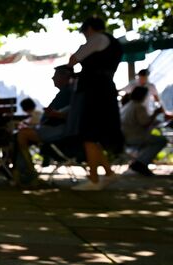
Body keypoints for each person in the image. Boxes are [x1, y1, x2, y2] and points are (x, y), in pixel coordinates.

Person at [67, 16, 124, 191]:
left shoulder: (97, 38)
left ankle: (94, 179)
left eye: (84, 33)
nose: (85, 36)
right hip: (105, 89)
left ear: (89, 29)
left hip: (95, 91)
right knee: (94, 135)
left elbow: (74, 59)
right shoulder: (113, 43)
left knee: (88, 133)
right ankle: (107, 173)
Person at [12, 65, 76, 185]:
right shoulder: (67, 92)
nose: (53, 78)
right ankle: (22, 173)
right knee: (20, 137)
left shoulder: (69, 92)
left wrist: (55, 114)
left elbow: (70, 112)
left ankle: (28, 172)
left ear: (64, 77)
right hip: (53, 127)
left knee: (21, 135)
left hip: (58, 129)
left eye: (55, 76)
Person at [120, 86, 169, 176]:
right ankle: (140, 163)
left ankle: (139, 162)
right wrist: (156, 113)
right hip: (136, 137)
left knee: (155, 140)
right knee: (162, 140)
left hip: (126, 136)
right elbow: (145, 123)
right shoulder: (138, 106)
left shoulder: (128, 105)